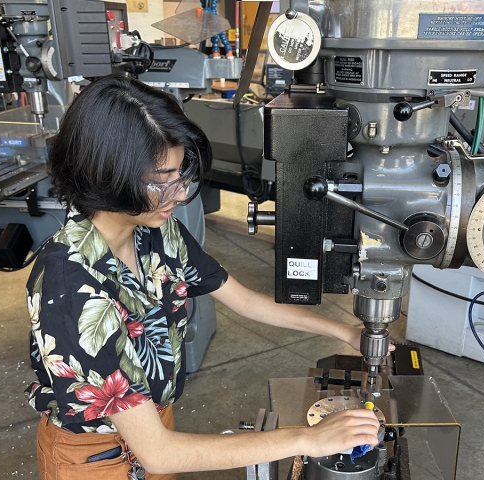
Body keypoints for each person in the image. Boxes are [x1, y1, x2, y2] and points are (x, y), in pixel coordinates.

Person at [24, 74, 386, 479]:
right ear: (109, 174)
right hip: (95, 457)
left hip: (156, 423)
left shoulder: (158, 233)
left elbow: (244, 300)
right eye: (162, 182)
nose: (180, 195)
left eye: (181, 176)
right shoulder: (68, 283)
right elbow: (159, 454)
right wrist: (307, 439)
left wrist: (344, 331)